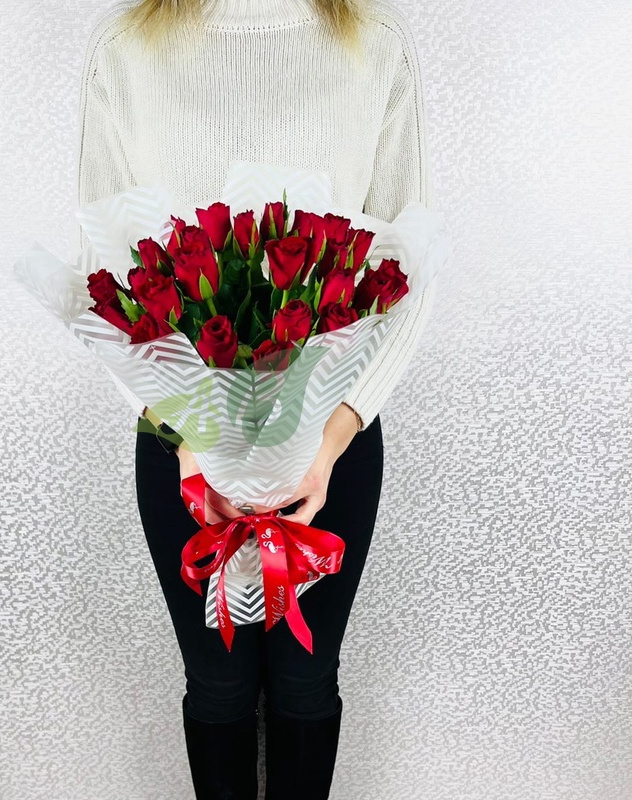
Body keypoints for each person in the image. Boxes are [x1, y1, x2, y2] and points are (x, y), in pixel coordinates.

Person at [76, 0, 438, 796]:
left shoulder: (375, 39)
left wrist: (329, 441)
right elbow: (104, 269)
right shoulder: (124, 45)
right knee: (218, 683)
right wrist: (190, 444)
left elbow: (408, 259)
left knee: (307, 679)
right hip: (180, 444)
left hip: (335, 440)